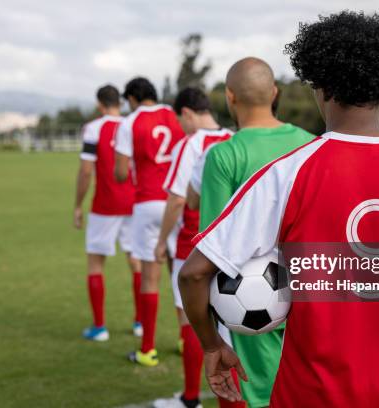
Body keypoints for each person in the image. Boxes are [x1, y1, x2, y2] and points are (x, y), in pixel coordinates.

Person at [179, 11, 379, 408]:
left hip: (307, 397)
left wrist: (212, 344)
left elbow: (194, 273)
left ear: (319, 86)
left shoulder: (287, 174)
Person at [185, 57, 315, 408]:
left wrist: (212, 340)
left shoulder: (224, 155)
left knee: (253, 396)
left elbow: (213, 248)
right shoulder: (312, 145)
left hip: (252, 305)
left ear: (230, 97)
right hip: (310, 298)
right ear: (274, 93)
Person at [152, 87, 233, 408]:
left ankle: (189, 400)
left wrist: (160, 242)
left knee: (190, 320)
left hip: (193, 247)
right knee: (230, 328)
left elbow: (176, 200)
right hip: (231, 250)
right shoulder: (234, 137)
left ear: (187, 113)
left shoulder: (191, 144)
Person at [115, 77, 184, 367]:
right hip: (176, 201)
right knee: (181, 274)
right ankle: (185, 339)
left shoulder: (129, 122)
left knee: (150, 278)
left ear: (132, 98)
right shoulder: (173, 114)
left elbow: (120, 171)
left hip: (147, 202)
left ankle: (147, 349)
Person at [73, 84, 142, 341]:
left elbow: (86, 171)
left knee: (95, 263)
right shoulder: (131, 125)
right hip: (134, 203)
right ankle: (139, 323)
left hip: (105, 205)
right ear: (120, 103)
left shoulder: (93, 128)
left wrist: (78, 205)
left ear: (100, 104)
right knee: (135, 261)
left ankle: (100, 327)